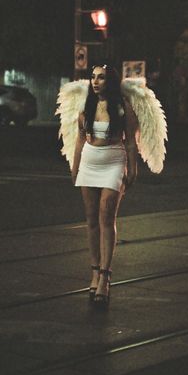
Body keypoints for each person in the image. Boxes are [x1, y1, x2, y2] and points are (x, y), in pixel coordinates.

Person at [71, 65, 138, 308]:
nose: (95, 81)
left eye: (101, 78)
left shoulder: (122, 108)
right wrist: (75, 167)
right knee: (91, 220)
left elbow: (130, 141)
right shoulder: (86, 107)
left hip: (113, 163)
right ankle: (94, 270)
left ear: (110, 82)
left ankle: (105, 277)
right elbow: (79, 139)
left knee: (106, 217)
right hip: (89, 162)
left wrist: (133, 168)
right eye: (93, 77)